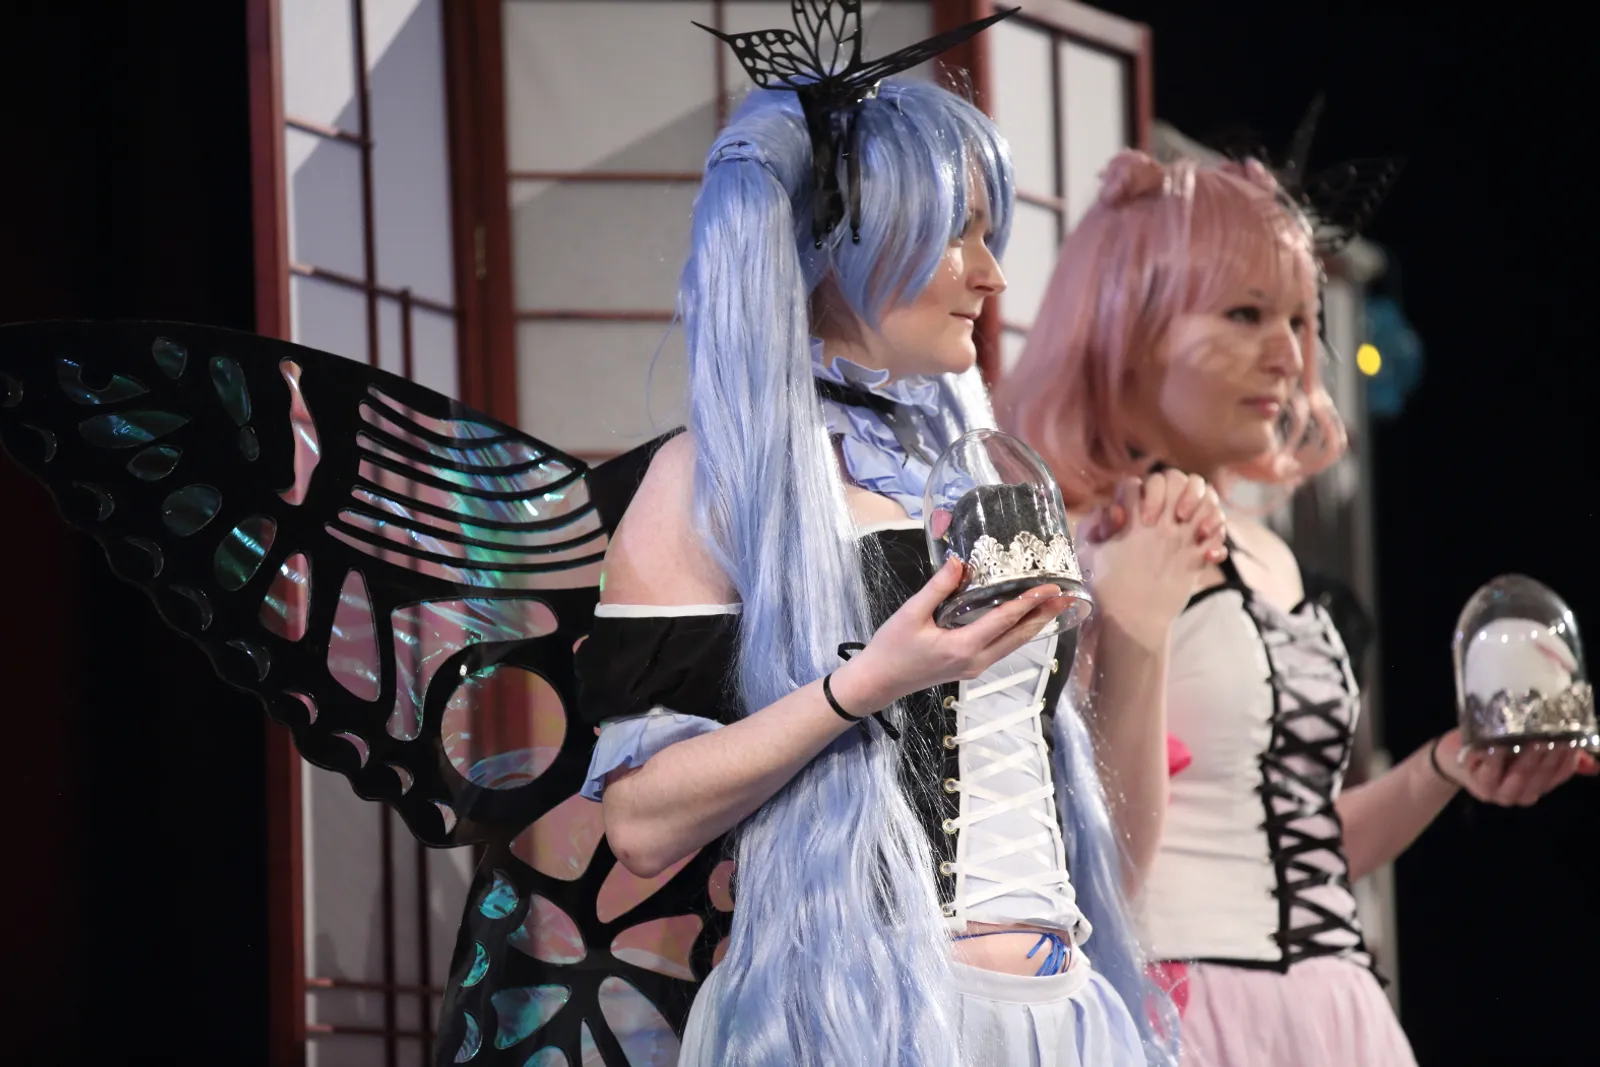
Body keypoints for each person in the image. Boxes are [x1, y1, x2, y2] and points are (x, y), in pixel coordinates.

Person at [568, 57, 1218, 1062]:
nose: (991, 275)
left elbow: (1079, 818)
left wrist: (1142, 615)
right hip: (855, 1020)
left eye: (988, 236)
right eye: (958, 234)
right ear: (843, 244)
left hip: (1065, 1020)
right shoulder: (714, 479)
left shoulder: (983, 473)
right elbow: (640, 824)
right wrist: (866, 682)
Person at [995, 148, 1593, 1066]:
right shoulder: (1077, 548)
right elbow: (1094, 865)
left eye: (1300, 320)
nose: (1288, 355)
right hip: (1185, 1012)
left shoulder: (1269, 550)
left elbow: (1298, 842)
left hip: (1337, 1009)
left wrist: (1445, 766)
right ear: (1126, 319)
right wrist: (1135, 621)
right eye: (1244, 314)